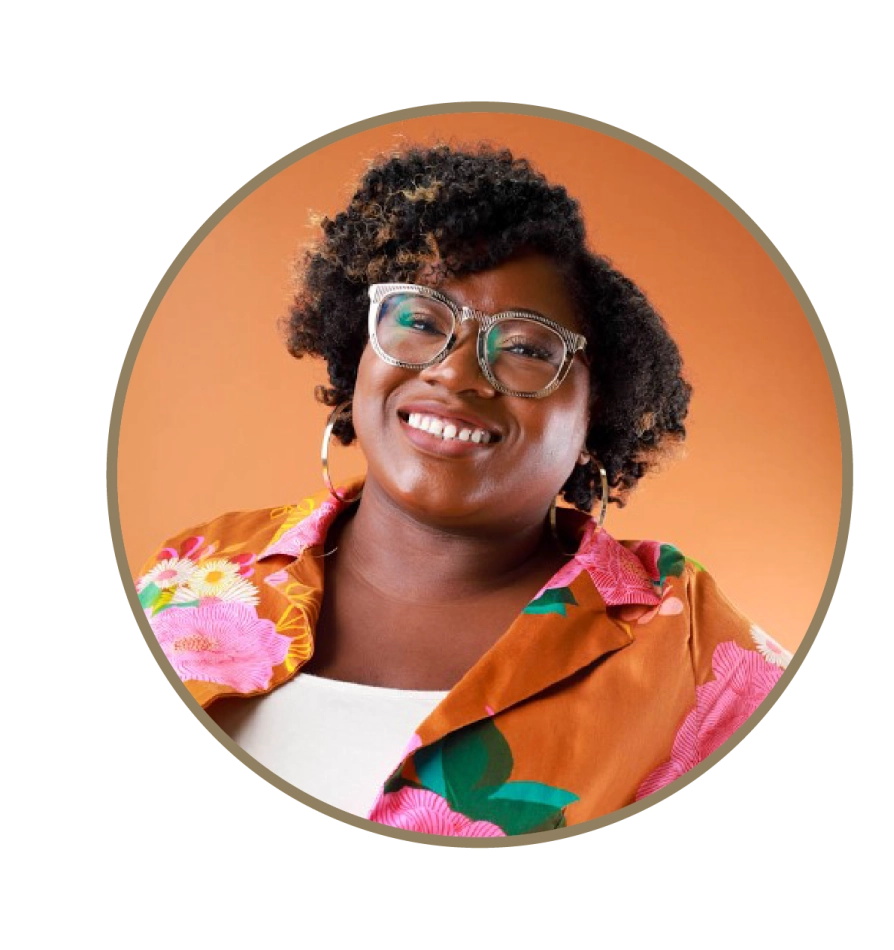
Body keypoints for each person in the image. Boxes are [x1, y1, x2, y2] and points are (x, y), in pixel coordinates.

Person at [135, 144, 793, 837]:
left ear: (595, 411)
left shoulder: (694, 653)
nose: (453, 373)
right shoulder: (195, 573)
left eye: (526, 348)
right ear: (357, 350)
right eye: (421, 321)